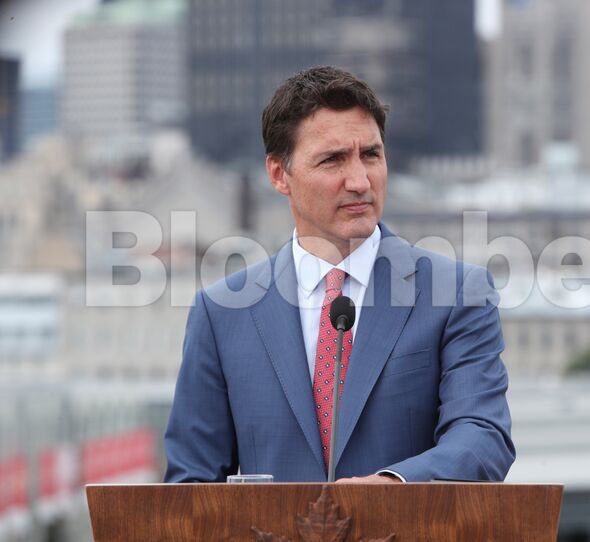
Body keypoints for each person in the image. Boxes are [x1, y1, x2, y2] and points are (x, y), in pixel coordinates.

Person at [164, 66, 514, 483]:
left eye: (371, 155)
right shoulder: (221, 312)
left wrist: (389, 488)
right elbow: (191, 481)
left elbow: (482, 437)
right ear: (279, 174)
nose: (360, 180)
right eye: (333, 160)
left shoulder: (457, 294)